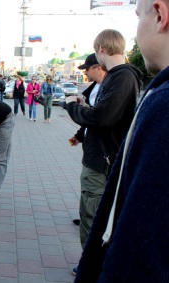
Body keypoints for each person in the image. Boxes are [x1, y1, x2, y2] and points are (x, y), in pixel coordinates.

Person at [74, 2, 169, 282]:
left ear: (160, 14)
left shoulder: (160, 100)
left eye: (139, 16)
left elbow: (142, 236)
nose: (137, 30)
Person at [66, 29, 142, 279]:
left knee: (91, 213)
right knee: (95, 212)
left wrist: (73, 108)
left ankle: (92, 267)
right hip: (104, 158)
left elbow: (101, 117)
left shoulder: (121, 77)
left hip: (101, 162)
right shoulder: (121, 77)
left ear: (101, 49)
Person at [66, 54, 107, 233]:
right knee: (89, 193)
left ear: (98, 67)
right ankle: (86, 217)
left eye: (87, 69)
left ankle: (90, 222)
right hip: (92, 150)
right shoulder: (98, 87)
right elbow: (91, 119)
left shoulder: (108, 87)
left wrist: (72, 106)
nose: (85, 73)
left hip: (100, 156)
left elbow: (96, 118)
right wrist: (80, 135)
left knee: (93, 193)